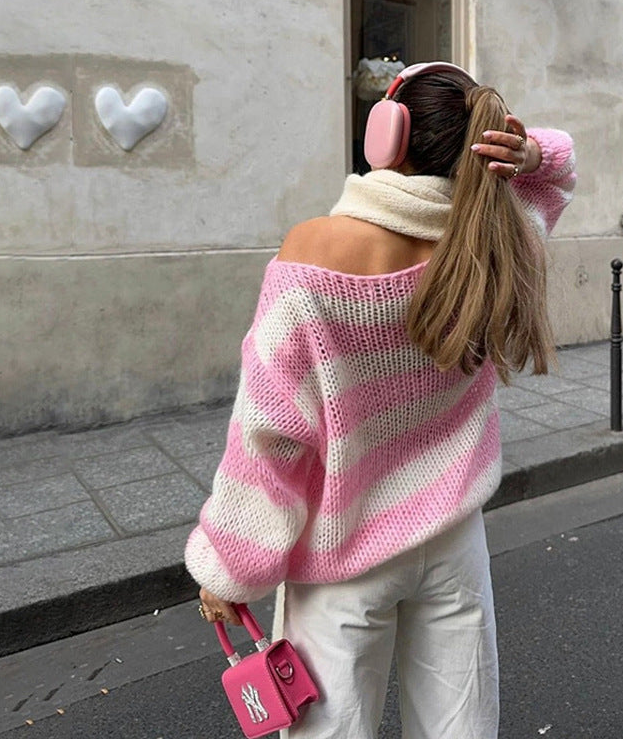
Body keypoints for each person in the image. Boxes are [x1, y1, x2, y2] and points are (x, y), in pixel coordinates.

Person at [186, 62, 576, 738]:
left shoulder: (316, 251)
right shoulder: (500, 242)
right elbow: (555, 180)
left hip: (344, 558)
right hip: (455, 541)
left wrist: (231, 567)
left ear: (385, 137)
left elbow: (270, 433)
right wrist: (535, 153)